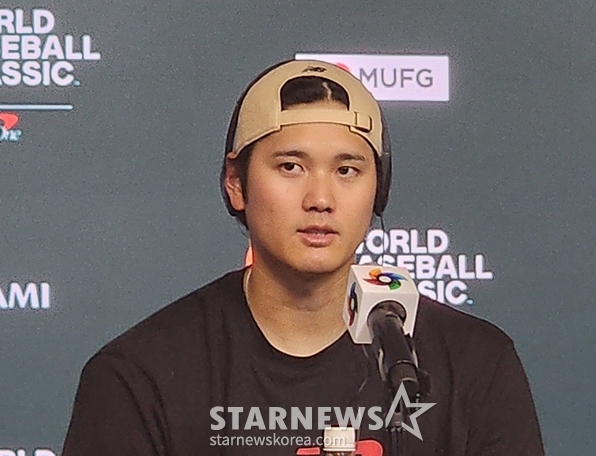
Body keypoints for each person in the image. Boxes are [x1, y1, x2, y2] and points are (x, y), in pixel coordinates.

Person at [61, 59, 545, 455]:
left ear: (379, 191)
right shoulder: (139, 375)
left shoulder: (475, 363)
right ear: (236, 183)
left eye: (347, 170)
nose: (321, 199)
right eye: (291, 166)